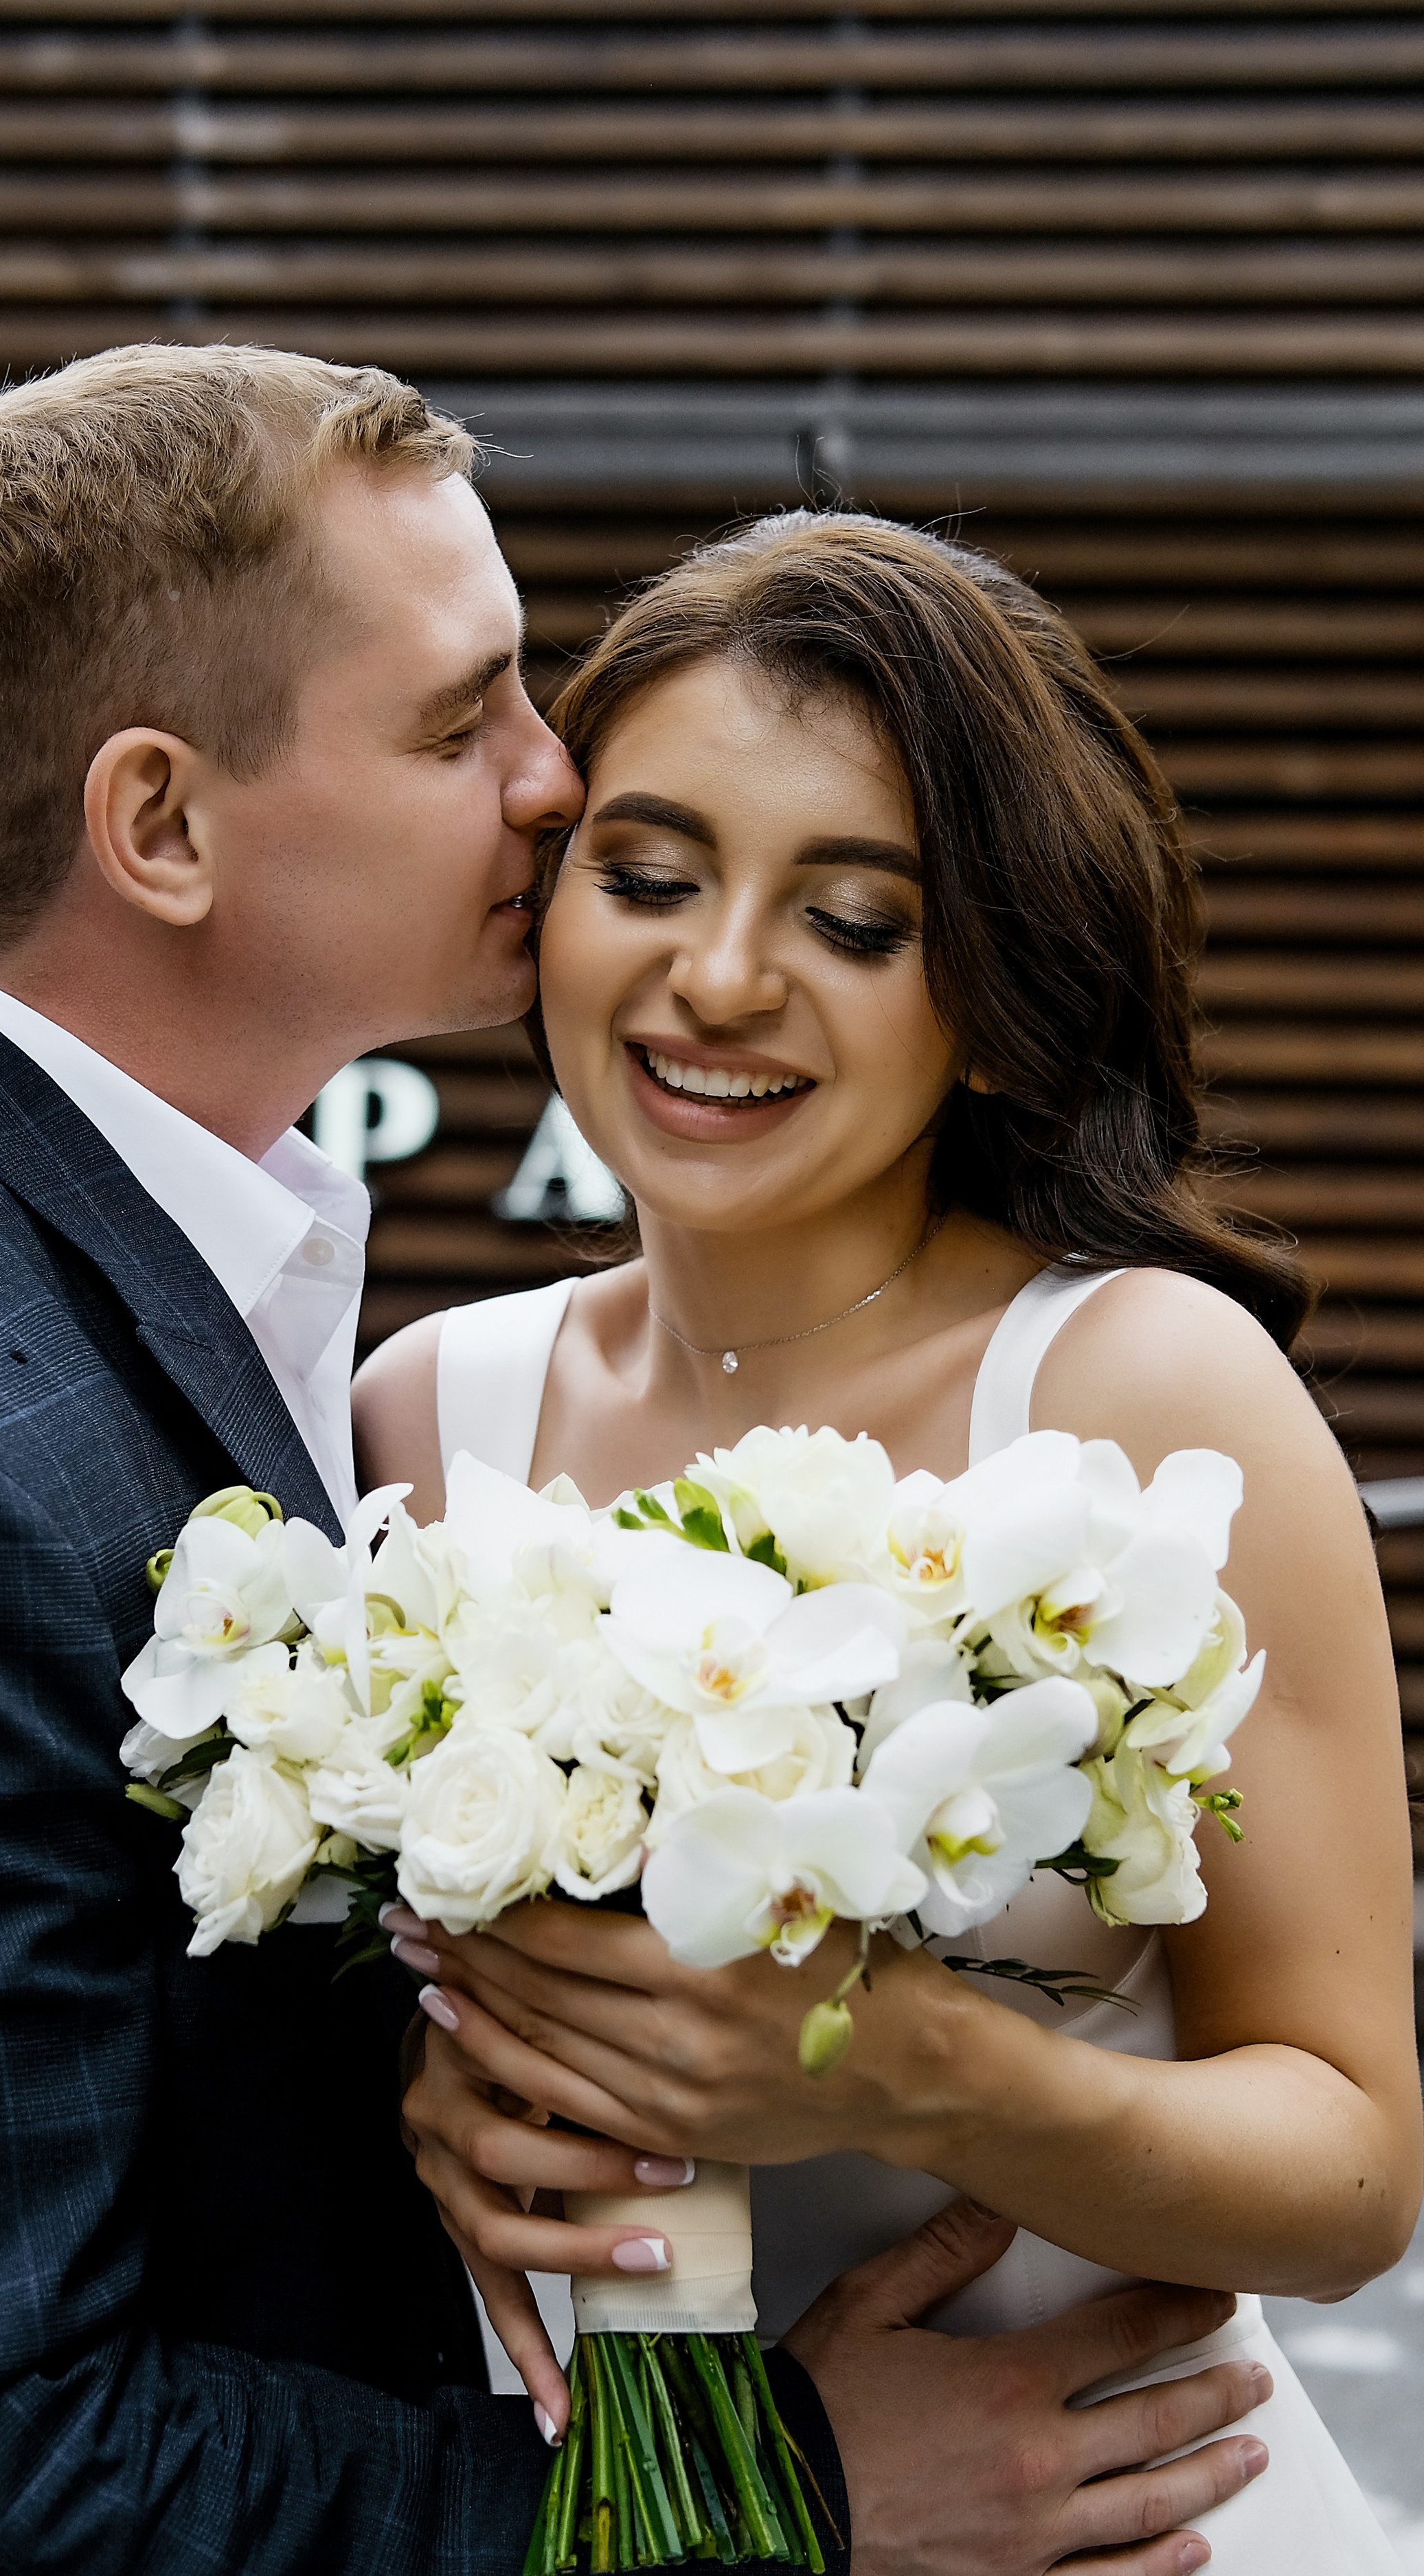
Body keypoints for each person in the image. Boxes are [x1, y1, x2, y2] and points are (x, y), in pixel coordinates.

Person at [0, 351, 1270, 2576]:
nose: (554, 784)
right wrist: (766, 2513)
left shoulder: (195, 1269)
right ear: (160, 826)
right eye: (462, 721)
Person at [354, 511, 1424, 2573]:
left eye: (855, 921)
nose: (722, 974)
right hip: (654, 2531)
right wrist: (445, 2101)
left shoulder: (1143, 1399)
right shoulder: (423, 1418)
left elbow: (1356, 2173)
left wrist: (922, 2067)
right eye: (649, 878)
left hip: (1128, 2528)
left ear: (997, 994)